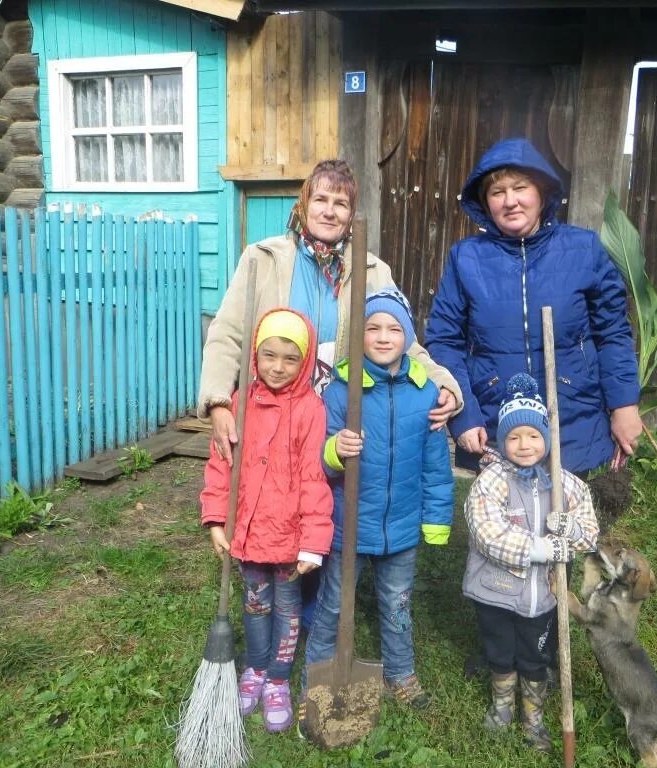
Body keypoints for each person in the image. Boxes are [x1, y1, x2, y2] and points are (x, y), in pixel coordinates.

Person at [198, 159, 462, 632]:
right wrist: (219, 401)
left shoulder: (371, 271)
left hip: (337, 410)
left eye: (341, 203)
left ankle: (314, 608)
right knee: (276, 498)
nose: (329, 210)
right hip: (274, 407)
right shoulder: (264, 259)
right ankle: (272, 597)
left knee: (322, 501)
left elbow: (402, 338)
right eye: (320, 198)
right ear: (303, 203)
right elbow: (228, 334)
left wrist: (443, 382)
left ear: (351, 212)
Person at [426, 138, 642, 478]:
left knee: (569, 526)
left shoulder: (583, 249)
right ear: (485, 203)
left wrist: (624, 404)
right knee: (502, 526)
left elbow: (613, 333)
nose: (510, 201)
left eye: (520, 188)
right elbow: (444, 340)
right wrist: (464, 415)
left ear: (541, 193)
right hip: (497, 418)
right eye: (497, 193)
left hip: (574, 415)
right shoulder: (466, 258)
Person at [299, 288, 454, 723]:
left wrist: (436, 521)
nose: (383, 337)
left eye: (394, 328)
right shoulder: (341, 390)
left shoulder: (426, 394)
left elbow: (436, 467)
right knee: (333, 603)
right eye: (372, 328)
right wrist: (335, 449)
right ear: (357, 335)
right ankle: (318, 674)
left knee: (398, 603)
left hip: (402, 528)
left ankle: (400, 671)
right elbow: (318, 459)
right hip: (350, 526)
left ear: (408, 336)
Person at [200, 308, 333, 734]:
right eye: (269, 355)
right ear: (255, 355)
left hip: (290, 538)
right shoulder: (238, 404)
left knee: (287, 611)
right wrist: (217, 519)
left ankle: (277, 679)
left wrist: (313, 540)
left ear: (306, 361)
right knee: (255, 606)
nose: (277, 367)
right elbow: (222, 465)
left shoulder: (311, 409)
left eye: (290, 359)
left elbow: (315, 477)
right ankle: (255, 668)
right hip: (250, 532)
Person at [463, 373, 599, 752]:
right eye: (514, 437)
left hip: (541, 596)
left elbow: (589, 534)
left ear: (547, 439)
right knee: (500, 652)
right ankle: (502, 705)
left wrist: (569, 528)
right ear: (502, 441)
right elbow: (487, 533)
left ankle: (533, 718)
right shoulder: (491, 482)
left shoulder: (565, 485)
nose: (524, 445)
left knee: (535, 655)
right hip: (495, 593)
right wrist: (542, 549)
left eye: (533, 436)